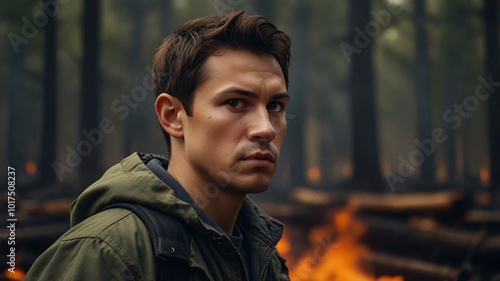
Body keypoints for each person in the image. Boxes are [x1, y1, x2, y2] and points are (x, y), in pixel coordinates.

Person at [25, 10, 292, 281]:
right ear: (172, 116)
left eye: (275, 106)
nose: (266, 128)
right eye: (235, 102)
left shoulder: (264, 260)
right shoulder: (106, 253)